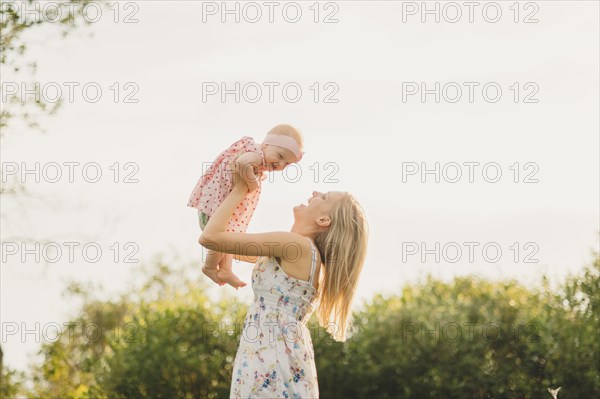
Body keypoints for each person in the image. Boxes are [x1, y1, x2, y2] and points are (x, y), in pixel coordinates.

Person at [199, 179, 369, 398]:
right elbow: (223, 240)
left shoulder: (295, 246)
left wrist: (241, 188)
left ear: (324, 219)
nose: (315, 191)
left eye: (324, 196)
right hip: (269, 352)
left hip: (270, 356)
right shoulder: (299, 251)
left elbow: (210, 237)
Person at [188, 124, 304, 288]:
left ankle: (225, 269)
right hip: (213, 209)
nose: (280, 163)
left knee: (228, 237)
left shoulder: (259, 161)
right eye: (279, 155)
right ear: (265, 145)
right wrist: (252, 183)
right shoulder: (254, 154)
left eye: (286, 164)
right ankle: (209, 266)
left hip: (218, 210)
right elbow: (242, 164)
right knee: (222, 238)